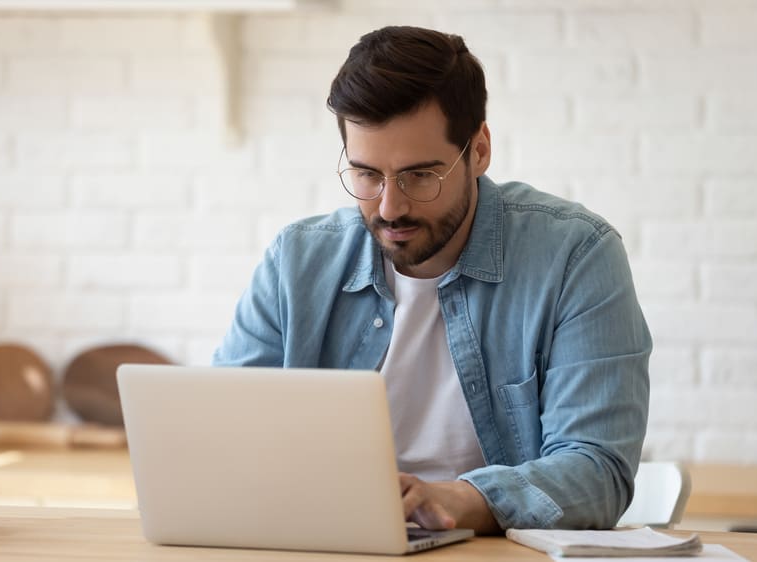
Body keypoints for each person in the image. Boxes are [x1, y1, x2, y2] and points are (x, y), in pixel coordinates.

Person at [213, 25, 651, 534]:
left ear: (480, 150)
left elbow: (598, 472)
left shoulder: (575, 255)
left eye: (421, 175)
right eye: (367, 175)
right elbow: (223, 439)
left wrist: (459, 499)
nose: (390, 206)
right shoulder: (296, 262)